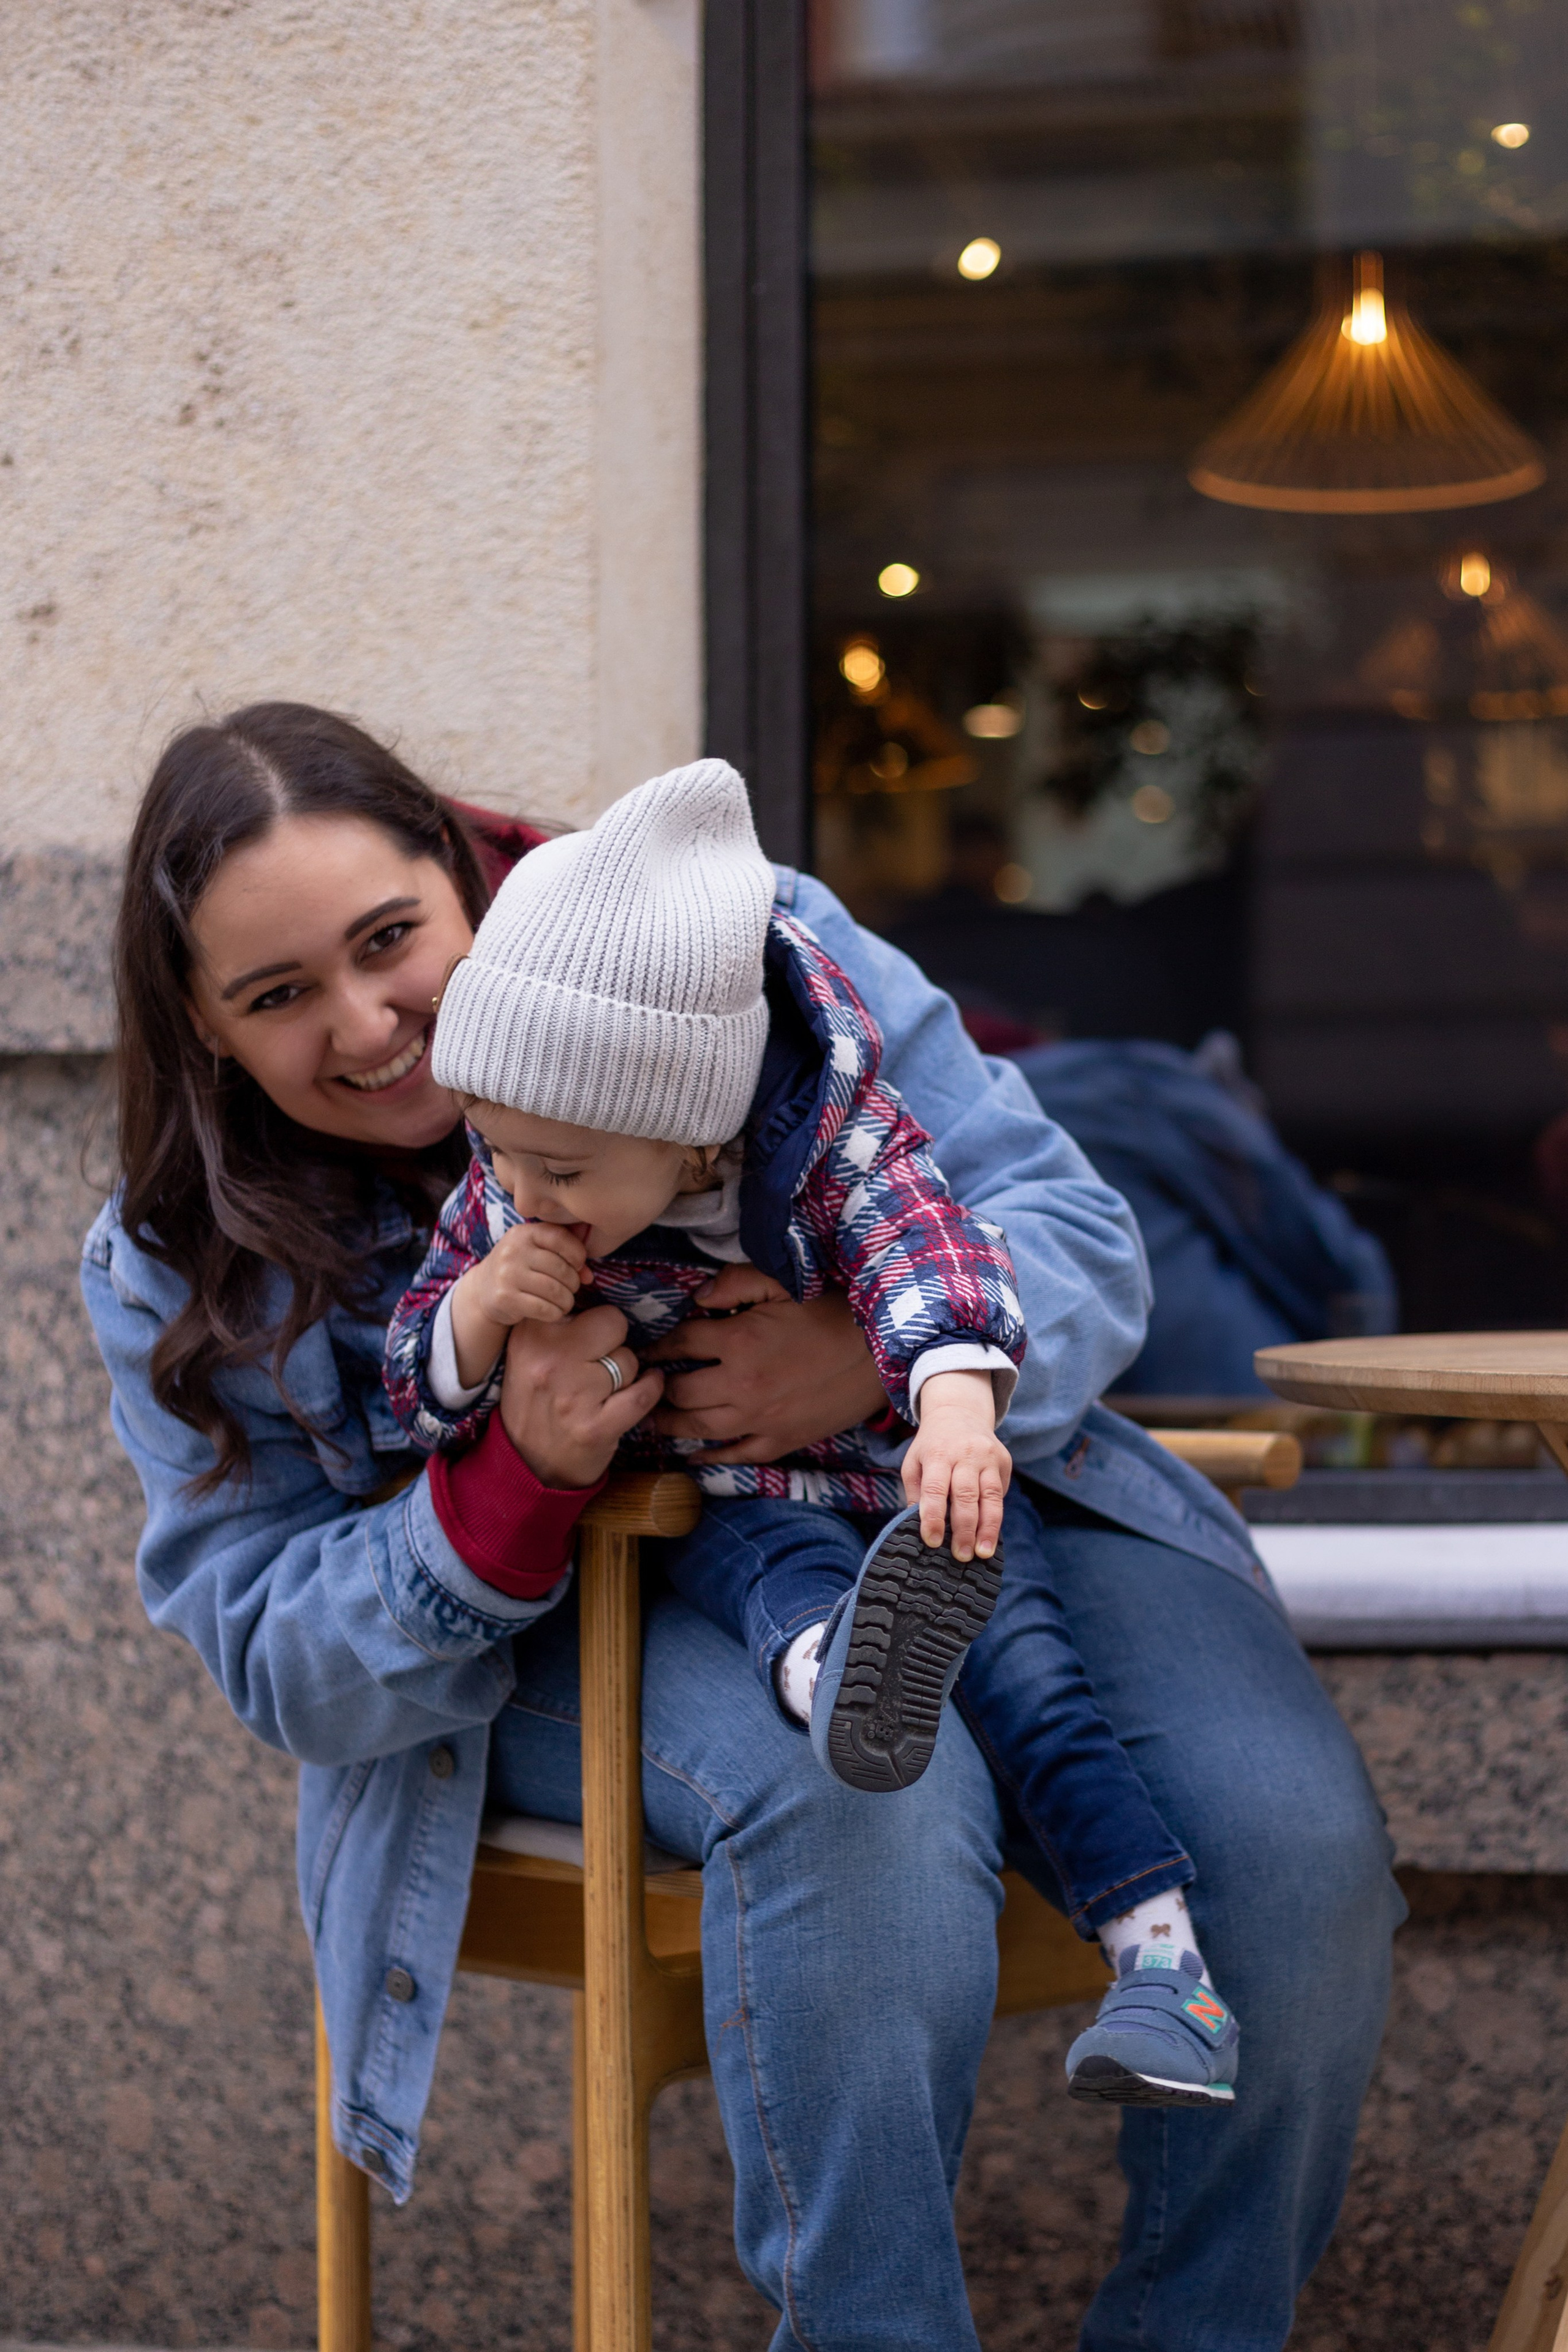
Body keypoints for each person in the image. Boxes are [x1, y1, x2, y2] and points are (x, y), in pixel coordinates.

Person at [82, 699, 1403, 2352]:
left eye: (390, 940)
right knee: (866, 1793)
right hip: (570, 1618)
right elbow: (278, 1649)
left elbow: (1068, 1226)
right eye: (279, 997)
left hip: (957, 1489)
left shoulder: (739, 950)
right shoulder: (173, 1251)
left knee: (1289, 1853)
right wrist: (509, 1486)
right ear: (203, 1028)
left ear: (465, 877)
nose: (369, 1026)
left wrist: (866, 1354)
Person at [385, 756, 1240, 2106]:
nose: (522, 1192)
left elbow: (936, 1266)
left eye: (562, 1169)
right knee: (766, 1580)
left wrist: (952, 1417)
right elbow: (414, 1386)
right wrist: (479, 1319)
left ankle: (1163, 1975)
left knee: (1036, 1690)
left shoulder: (832, 1151)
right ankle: (839, 1676)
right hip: (731, 1494)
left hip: (910, 1481)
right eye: (496, 1152)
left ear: (689, 1137)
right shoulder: (511, 1198)